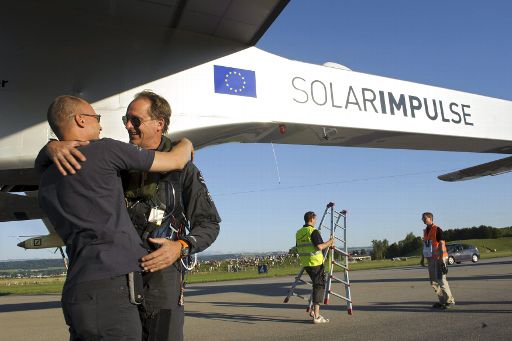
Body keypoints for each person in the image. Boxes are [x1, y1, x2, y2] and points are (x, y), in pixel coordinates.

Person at [46, 91, 221, 341]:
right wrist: (52, 146)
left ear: (159, 124)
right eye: (126, 120)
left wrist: (180, 247)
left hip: (162, 284)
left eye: (135, 120)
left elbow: (209, 224)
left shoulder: (183, 171)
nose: (128, 126)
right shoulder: (118, 164)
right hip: (119, 284)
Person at [295, 211, 334, 324]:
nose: (316, 221)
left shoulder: (299, 232)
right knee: (319, 287)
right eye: (315, 219)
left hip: (306, 263)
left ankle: (313, 311)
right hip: (316, 263)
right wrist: (330, 242)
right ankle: (316, 316)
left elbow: (299, 246)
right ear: (311, 219)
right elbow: (320, 246)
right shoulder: (313, 231)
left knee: (316, 286)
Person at [419, 212, 455, 309]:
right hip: (430, 259)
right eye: (422, 218)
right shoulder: (425, 231)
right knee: (433, 281)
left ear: (430, 218)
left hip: (439, 258)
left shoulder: (437, 229)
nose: (422, 219)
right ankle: (442, 301)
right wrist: (422, 258)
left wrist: (440, 258)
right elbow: (425, 246)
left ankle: (449, 300)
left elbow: (442, 244)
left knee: (441, 280)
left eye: (424, 218)